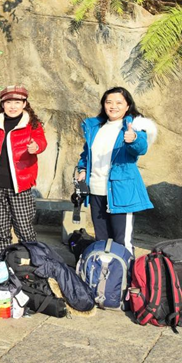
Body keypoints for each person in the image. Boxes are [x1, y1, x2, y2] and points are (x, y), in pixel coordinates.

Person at [77, 86, 157, 253]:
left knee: (122, 242)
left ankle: (126, 270)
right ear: (103, 105)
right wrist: (83, 169)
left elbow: (141, 148)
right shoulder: (95, 127)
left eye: (119, 103)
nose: (113, 106)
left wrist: (134, 138)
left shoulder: (133, 126)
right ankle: (104, 270)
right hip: (96, 190)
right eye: (109, 102)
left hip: (121, 192)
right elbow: (86, 154)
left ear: (128, 106)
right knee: (101, 240)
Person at [0, 85, 47, 257]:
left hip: (19, 185)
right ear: (2, 104)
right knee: (0, 229)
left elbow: (41, 141)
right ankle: (4, 262)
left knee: (24, 229)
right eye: (8, 102)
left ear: (24, 104)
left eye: (17, 102)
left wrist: (36, 146)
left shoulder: (31, 124)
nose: (12, 106)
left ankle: (33, 262)